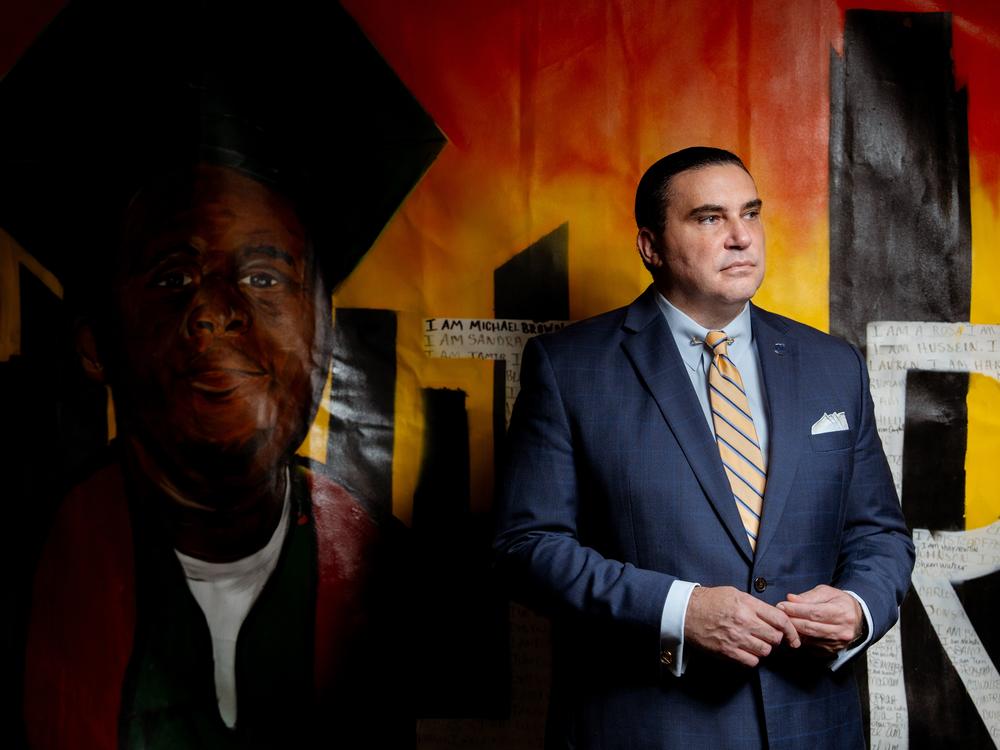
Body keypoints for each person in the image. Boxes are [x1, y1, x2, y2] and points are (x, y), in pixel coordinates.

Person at [494, 147, 914, 749]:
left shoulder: (832, 364)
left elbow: (879, 532)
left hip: (812, 726)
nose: (742, 238)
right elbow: (525, 547)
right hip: (650, 727)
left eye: (751, 213)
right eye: (710, 218)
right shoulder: (570, 369)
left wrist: (860, 608)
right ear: (651, 246)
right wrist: (679, 611)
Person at [23, 161, 404, 749]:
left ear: (325, 336)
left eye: (264, 278)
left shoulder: (398, 579)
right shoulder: (20, 579)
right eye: (173, 279)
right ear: (97, 345)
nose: (215, 312)